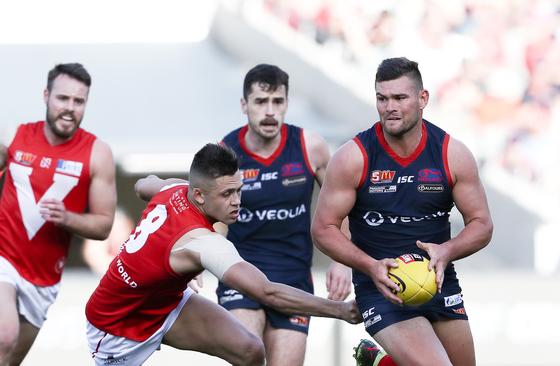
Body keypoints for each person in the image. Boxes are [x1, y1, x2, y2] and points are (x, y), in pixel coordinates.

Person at [84, 143, 361, 366]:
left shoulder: (173, 190)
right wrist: (341, 310)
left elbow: (144, 184)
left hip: (166, 302)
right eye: (227, 194)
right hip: (116, 327)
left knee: (250, 351)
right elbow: (268, 292)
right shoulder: (203, 243)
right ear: (200, 196)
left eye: (239, 190)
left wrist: (167, 270)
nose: (237, 202)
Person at [311, 57, 493, 366]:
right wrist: (369, 266)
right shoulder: (353, 157)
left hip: (438, 282)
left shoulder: (452, 154)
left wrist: (447, 251)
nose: (389, 107)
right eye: (382, 98)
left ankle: (382, 364)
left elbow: (482, 224)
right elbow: (323, 228)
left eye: (399, 98)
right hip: (381, 288)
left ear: (423, 99)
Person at [216, 63, 352, 366]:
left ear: (287, 104)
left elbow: (341, 206)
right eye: (260, 102)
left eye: (277, 102)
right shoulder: (225, 153)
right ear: (244, 105)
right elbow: (206, 217)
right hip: (241, 273)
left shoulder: (310, 146)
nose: (269, 111)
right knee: (249, 353)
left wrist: (341, 262)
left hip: (293, 279)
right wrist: (191, 268)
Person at [0, 63, 117, 365]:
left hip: (44, 280)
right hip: (4, 259)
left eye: (79, 102)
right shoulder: (15, 136)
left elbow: (104, 225)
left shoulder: (97, 153)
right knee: (4, 335)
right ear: (46, 96)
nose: (70, 108)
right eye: (62, 99)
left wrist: (67, 218)